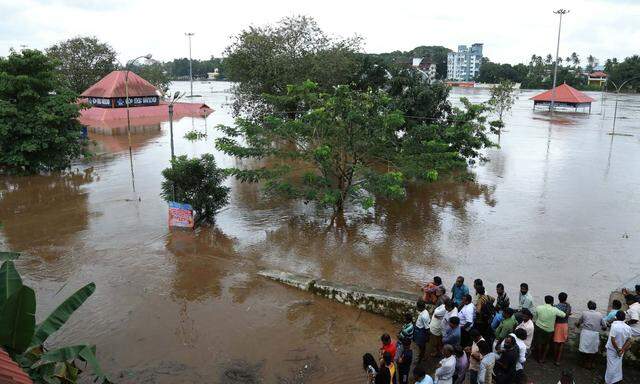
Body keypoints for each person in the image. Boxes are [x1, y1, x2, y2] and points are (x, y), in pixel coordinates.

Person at [533, 295, 566, 363]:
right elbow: (563, 315)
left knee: (539, 343)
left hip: (539, 327)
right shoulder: (554, 309)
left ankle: (539, 358)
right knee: (547, 344)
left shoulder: (539, 307)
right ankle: (543, 358)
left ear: (545, 300)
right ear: (552, 301)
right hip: (549, 330)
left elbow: (535, 317)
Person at [576, 300, 607, 369]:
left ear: (588, 307)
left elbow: (579, 323)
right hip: (594, 334)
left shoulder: (584, 313)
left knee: (583, 348)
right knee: (593, 349)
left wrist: (577, 325)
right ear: (595, 307)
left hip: (585, 333)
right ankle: (589, 363)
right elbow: (604, 326)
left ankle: (582, 362)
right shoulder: (599, 314)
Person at [605, 311, 633, 384]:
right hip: (621, 350)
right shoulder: (628, 327)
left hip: (613, 349)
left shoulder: (614, 325)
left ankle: (609, 381)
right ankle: (616, 380)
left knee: (611, 366)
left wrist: (617, 349)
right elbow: (629, 340)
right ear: (624, 318)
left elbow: (612, 339)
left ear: (616, 317)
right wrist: (622, 349)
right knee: (617, 365)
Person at [553, 292, 572, 365]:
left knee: (556, 342)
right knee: (561, 343)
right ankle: (558, 360)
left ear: (558, 298)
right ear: (566, 298)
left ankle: (554, 358)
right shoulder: (568, 307)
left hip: (557, 325)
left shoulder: (556, 306)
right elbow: (567, 314)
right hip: (564, 325)